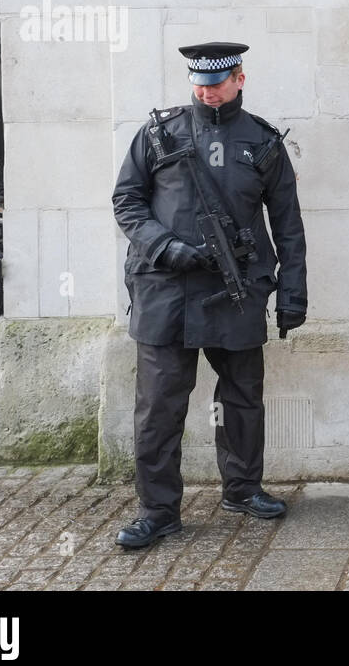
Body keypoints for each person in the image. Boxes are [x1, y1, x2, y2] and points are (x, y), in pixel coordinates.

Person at [112, 43, 308, 549]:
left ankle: (242, 489)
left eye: (216, 82)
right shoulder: (159, 134)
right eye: (198, 82)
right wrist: (165, 246)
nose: (205, 90)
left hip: (236, 291)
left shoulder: (262, 142)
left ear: (239, 79)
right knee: (158, 406)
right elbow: (126, 200)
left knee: (243, 399)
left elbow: (287, 224)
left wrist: (293, 293)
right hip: (165, 291)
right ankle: (157, 511)